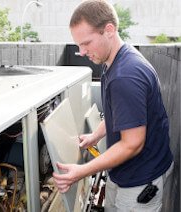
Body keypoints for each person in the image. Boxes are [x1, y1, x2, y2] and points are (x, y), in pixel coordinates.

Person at [53, 0, 174, 211]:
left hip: (141, 181)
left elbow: (132, 144)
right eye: (78, 44)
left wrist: (81, 171)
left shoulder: (125, 75)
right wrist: (95, 136)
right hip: (124, 172)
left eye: (86, 43)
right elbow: (117, 115)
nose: (81, 52)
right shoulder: (113, 61)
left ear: (109, 30)